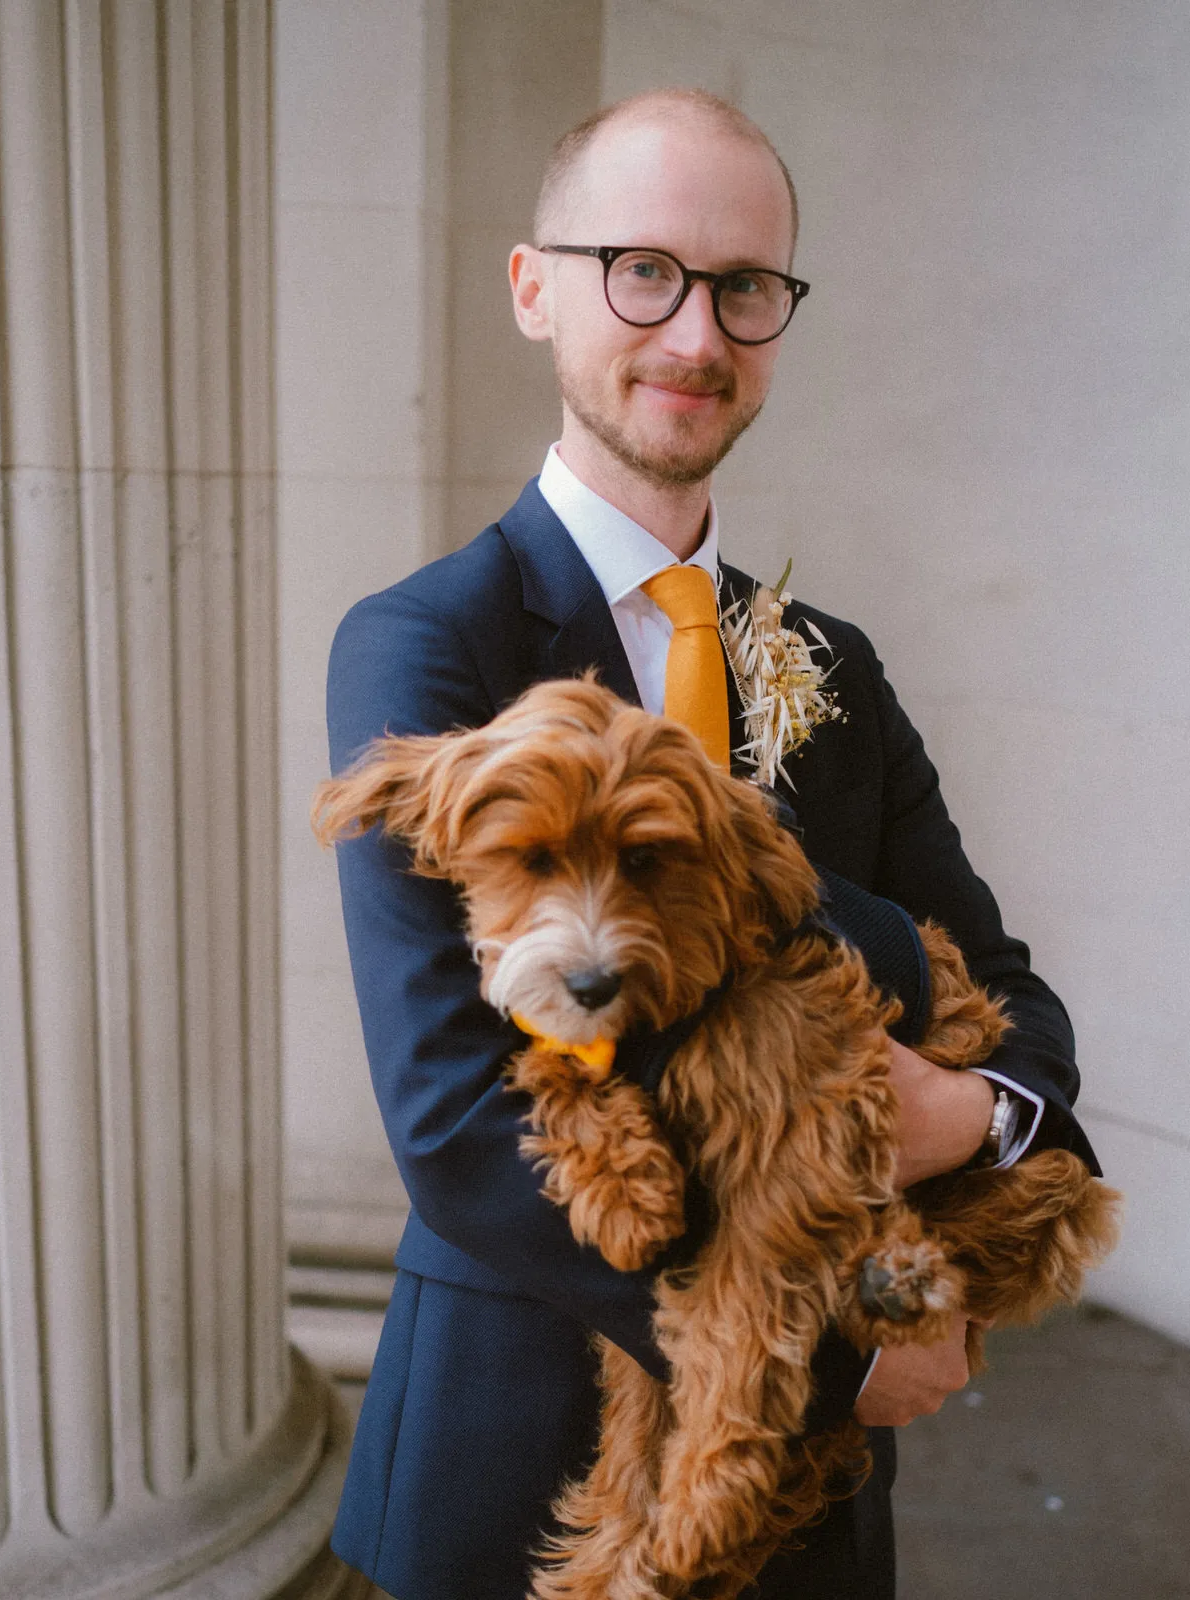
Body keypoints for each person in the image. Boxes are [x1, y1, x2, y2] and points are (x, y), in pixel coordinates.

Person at [325, 89, 1099, 1600]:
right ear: (534, 287)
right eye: (643, 271)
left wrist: (978, 1122)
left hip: (809, 1521)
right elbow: (452, 1129)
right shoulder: (424, 644)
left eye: (745, 288)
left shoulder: (835, 661)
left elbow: (1013, 997)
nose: (696, 336)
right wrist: (820, 1368)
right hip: (521, 1453)